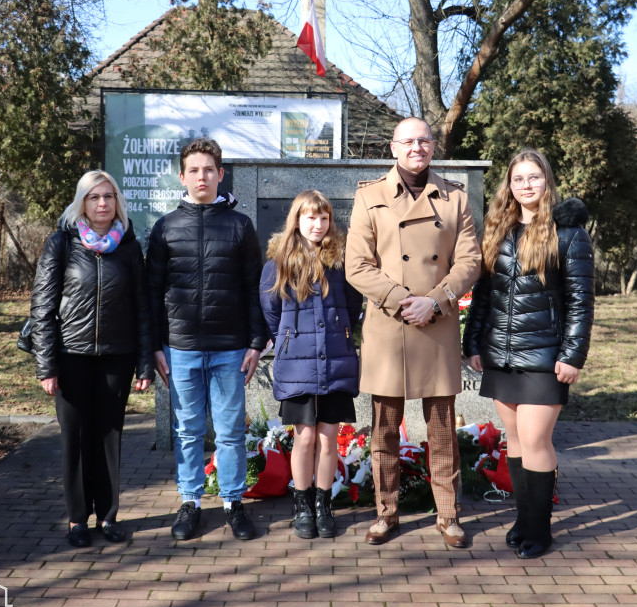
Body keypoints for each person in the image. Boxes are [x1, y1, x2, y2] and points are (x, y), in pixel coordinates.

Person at [345, 117, 482, 548]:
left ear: (433, 146)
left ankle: (448, 515)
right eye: (408, 141)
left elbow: (470, 262)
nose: (416, 147)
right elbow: (357, 265)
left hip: (437, 325)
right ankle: (386, 514)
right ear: (393, 148)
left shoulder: (454, 199)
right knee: (384, 430)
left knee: (441, 430)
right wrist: (404, 299)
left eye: (423, 140)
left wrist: (436, 300)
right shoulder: (369, 197)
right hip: (390, 328)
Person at [463, 148, 595, 559]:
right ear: (509, 185)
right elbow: (485, 293)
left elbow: (581, 300)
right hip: (501, 354)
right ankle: (523, 519)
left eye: (533, 178)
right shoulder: (498, 228)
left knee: (537, 439)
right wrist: (472, 343)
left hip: (544, 355)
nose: (525, 186)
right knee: (516, 440)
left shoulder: (568, 232)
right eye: (518, 179)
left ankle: (540, 529)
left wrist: (572, 355)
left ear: (547, 181)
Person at [147, 138, 267, 541]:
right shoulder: (165, 228)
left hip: (230, 347)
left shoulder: (239, 226)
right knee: (187, 430)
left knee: (231, 429)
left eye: (209, 169)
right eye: (194, 170)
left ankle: (233, 503)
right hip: (180, 348)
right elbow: (151, 293)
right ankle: (190, 502)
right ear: (182, 177)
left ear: (220, 174)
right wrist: (153, 347)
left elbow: (255, 287)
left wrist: (255, 341)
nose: (202, 176)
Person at [30, 169, 154, 548]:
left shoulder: (130, 247)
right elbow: (42, 307)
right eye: (94, 197)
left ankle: (108, 516)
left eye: (108, 197)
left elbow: (143, 309)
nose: (102, 204)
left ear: (118, 202)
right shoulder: (61, 244)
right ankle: (76, 519)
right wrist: (46, 365)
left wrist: (145, 362)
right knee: (75, 439)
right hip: (71, 357)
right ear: (81, 203)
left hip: (117, 358)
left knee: (109, 437)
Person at [259, 191, 363, 539]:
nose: (318, 225)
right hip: (298, 364)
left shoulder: (340, 261)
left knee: (329, 439)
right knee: (304, 439)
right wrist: (289, 339)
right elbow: (272, 311)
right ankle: (301, 503)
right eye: (310, 218)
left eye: (324, 218)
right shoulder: (278, 262)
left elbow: (352, 304)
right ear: (297, 220)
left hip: (335, 361)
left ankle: (323, 503)